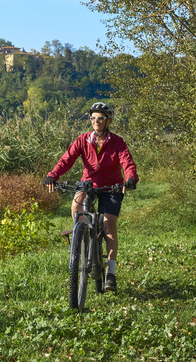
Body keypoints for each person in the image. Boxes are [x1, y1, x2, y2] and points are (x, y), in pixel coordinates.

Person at [42, 102, 138, 292]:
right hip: (88, 183)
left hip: (112, 187)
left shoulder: (117, 142)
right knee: (76, 206)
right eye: (93, 118)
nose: (96, 121)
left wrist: (130, 179)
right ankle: (81, 237)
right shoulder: (83, 140)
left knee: (109, 226)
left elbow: (127, 161)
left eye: (100, 118)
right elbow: (66, 159)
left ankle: (110, 274)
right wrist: (53, 175)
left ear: (108, 121)